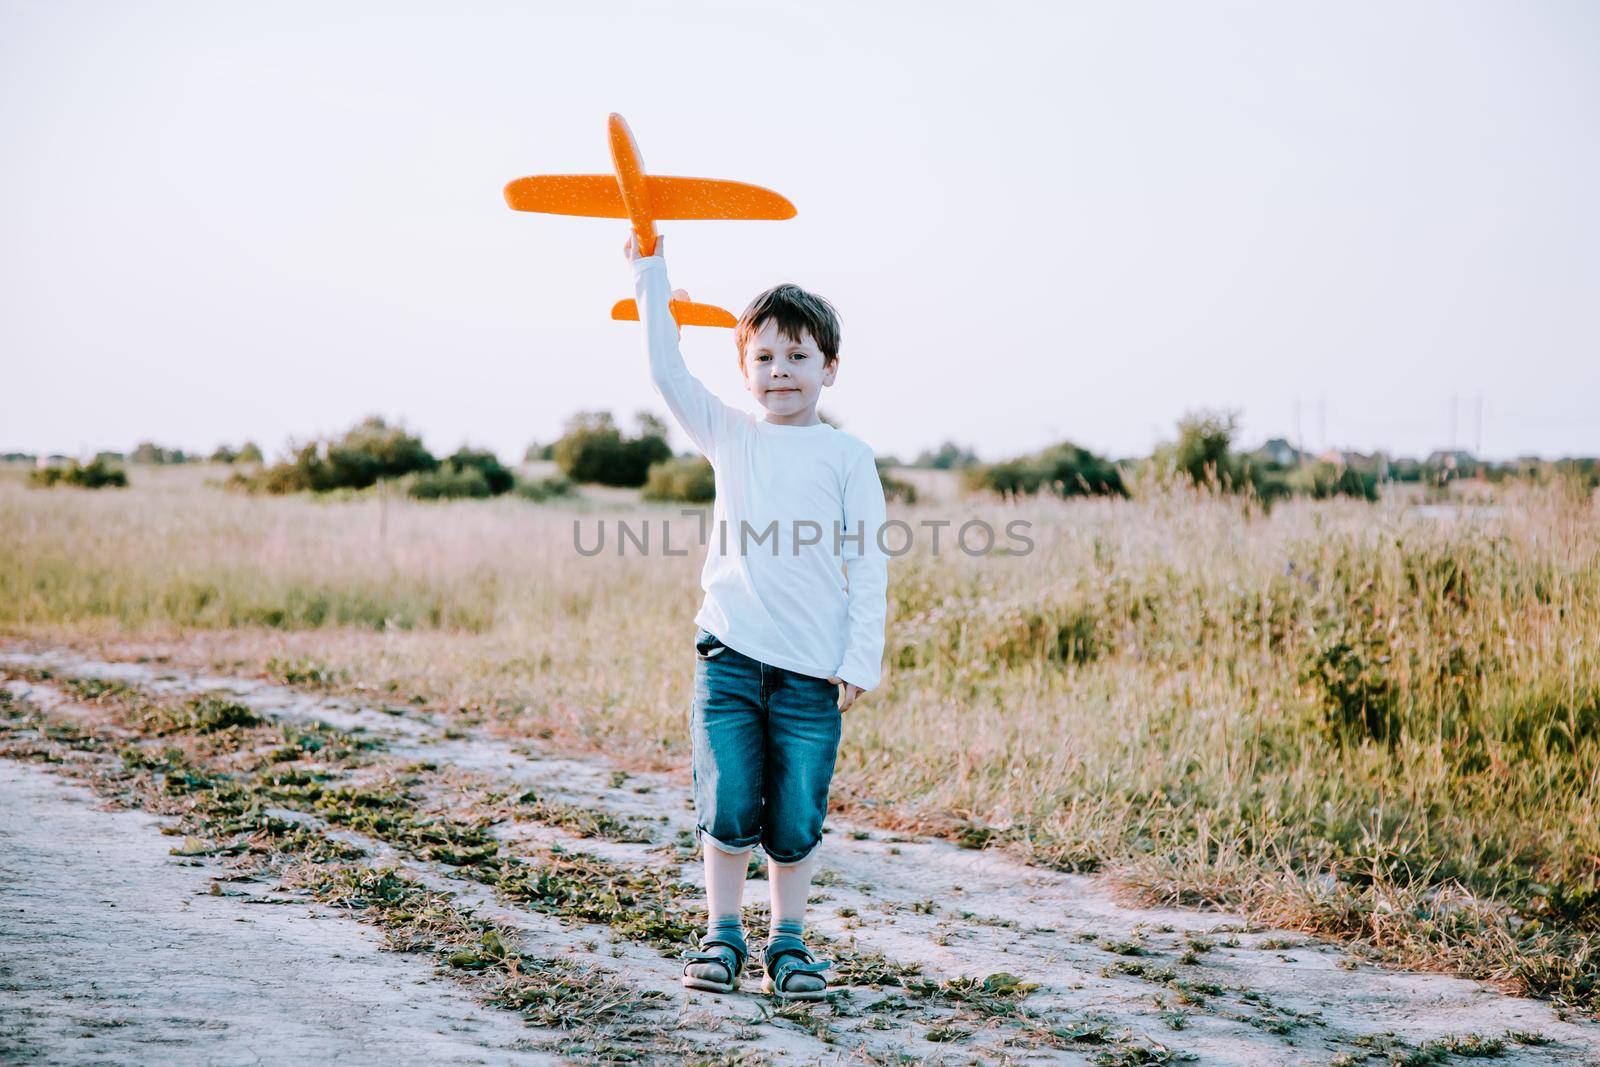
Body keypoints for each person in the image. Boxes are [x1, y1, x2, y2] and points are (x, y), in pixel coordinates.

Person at [623, 233, 889, 1000]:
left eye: (799, 357)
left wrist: (858, 658)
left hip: (813, 666)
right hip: (730, 654)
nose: (781, 372)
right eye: (765, 358)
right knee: (729, 798)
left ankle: (789, 941)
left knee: (797, 810)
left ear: (829, 368)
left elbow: (868, 562)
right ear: (745, 369)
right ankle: (723, 935)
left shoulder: (848, 458)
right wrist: (650, 267)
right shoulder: (730, 436)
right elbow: (665, 369)